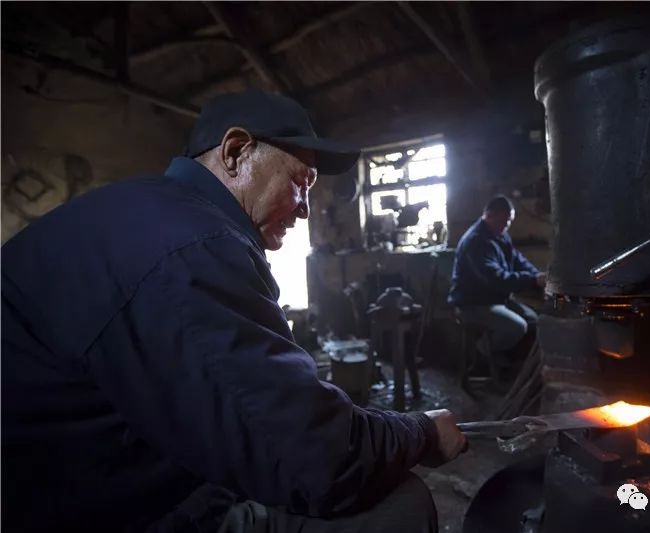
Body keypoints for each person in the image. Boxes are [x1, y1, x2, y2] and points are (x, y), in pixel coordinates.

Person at [1, 90, 466, 533]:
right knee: (396, 508)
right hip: (87, 513)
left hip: (89, 478)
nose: (305, 209)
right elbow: (319, 460)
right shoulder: (195, 245)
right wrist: (420, 433)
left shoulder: (149, 212)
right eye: (300, 182)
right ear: (236, 152)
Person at [448, 195, 546, 365]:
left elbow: (518, 261)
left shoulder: (499, 235)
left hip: (495, 299)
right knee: (517, 327)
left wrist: (537, 275)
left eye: (509, 222)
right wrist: (532, 281)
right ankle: (483, 351)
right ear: (488, 216)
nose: (506, 226)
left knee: (534, 321)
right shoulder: (476, 241)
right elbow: (496, 279)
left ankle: (512, 363)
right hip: (474, 303)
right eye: (502, 221)